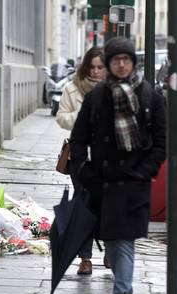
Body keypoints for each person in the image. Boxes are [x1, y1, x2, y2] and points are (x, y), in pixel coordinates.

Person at [69, 37, 166, 294]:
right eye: (116, 60)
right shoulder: (97, 97)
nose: (121, 64)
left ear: (133, 62)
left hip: (134, 184)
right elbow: (78, 139)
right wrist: (85, 172)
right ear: (110, 65)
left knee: (123, 241)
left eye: (126, 59)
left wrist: (145, 170)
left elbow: (162, 142)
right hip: (103, 183)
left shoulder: (150, 95)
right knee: (111, 241)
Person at [56, 47, 106, 275]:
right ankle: (85, 258)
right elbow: (62, 118)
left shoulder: (113, 89)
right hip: (81, 157)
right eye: (92, 67)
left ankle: (111, 253)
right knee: (84, 206)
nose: (95, 72)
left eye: (100, 67)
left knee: (108, 206)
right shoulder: (72, 88)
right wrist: (83, 116)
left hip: (107, 158)